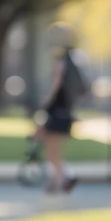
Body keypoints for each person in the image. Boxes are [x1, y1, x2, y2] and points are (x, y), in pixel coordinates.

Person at [35, 22, 85, 194]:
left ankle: (61, 180)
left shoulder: (60, 61)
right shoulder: (72, 60)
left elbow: (55, 85)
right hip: (65, 112)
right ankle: (62, 179)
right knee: (54, 150)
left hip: (57, 112)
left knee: (52, 150)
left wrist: (45, 102)